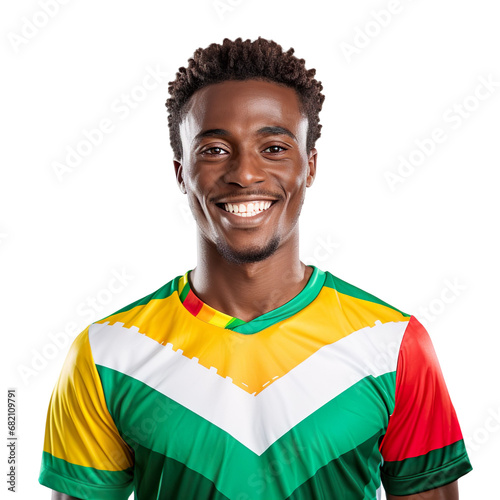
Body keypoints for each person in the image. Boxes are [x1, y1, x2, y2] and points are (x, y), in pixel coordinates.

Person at [39, 37, 472, 500]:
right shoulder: (108, 354)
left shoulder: (394, 345)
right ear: (180, 172)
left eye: (273, 148)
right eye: (214, 150)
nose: (245, 174)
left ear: (310, 166)